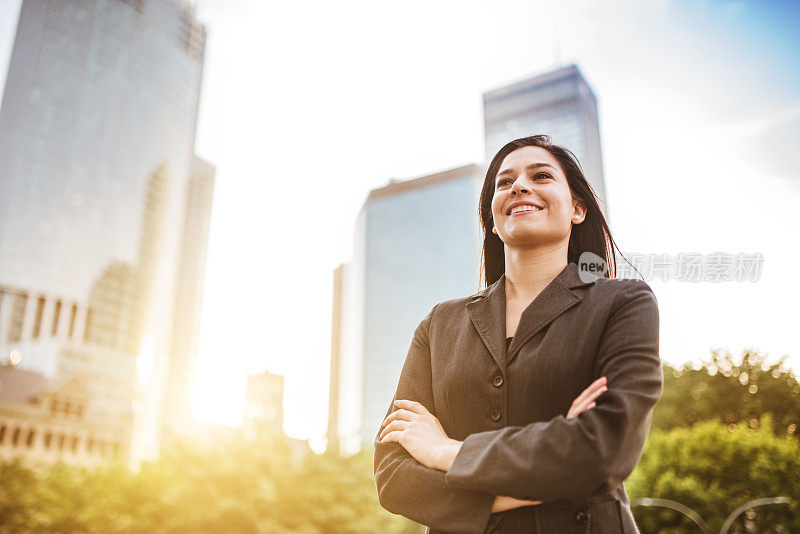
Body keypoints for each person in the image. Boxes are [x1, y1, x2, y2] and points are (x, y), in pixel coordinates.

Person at [373, 135, 662, 533]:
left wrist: (447, 451)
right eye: (504, 182)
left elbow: (605, 450)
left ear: (577, 208)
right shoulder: (439, 325)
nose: (520, 186)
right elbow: (393, 477)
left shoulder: (623, 303)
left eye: (541, 175)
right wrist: (555, 471)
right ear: (492, 219)